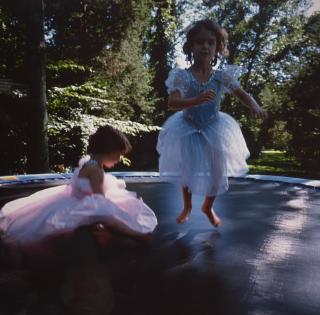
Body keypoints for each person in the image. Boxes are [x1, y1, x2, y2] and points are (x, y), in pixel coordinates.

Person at [157, 19, 267, 227]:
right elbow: (172, 103)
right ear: (191, 46)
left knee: (218, 174)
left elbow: (242, 94)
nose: (205, 46)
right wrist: (196, 100)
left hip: (214, 127)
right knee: (187, 171)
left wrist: (255, 106)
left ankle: (207, 206)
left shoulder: (221, 77)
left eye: (210, 42)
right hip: (187, 127)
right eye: (200, 42)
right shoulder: (181, 75)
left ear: (218, 48)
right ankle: (187, 206)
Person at [0, 125, 158, 249]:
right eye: (118, 155)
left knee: (128, 202)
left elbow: (88, 189)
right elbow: (100, 203)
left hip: (80, 199)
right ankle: (138, 235)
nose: (119, 159)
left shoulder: (89, 161)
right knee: (117, 216)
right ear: (109, 151)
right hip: (84, 205)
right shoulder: (95, 170)